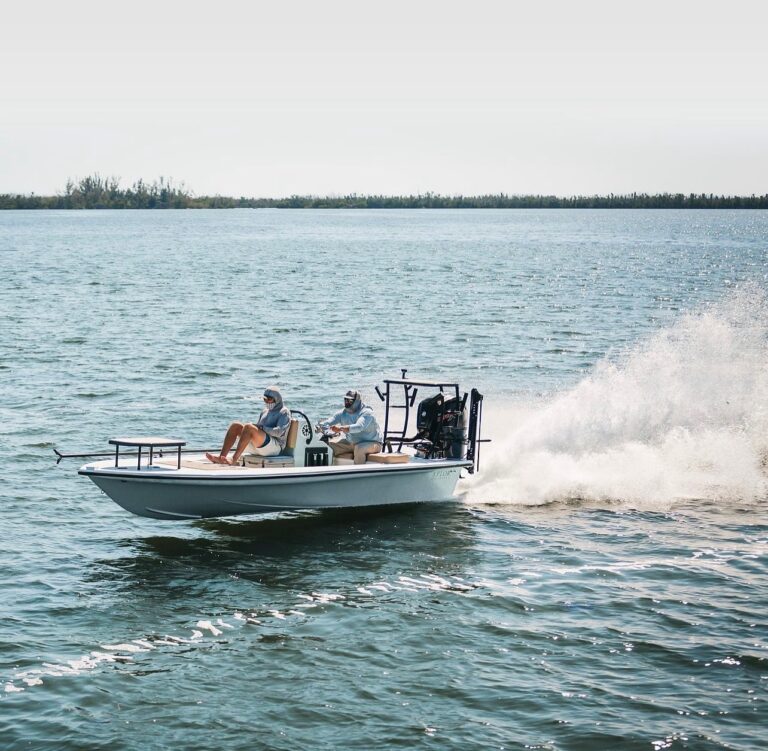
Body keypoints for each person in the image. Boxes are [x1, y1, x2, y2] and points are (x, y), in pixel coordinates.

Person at [206, 386, 291, 466]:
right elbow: (258, 431)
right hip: (261, 445)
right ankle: (222, 457)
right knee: (235, 425)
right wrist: (257, 427)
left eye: (269, 399)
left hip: (275, 447)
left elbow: (280, 432)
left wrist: (261, 428)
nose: (267, 401)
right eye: (265, 399)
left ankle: (234, 459)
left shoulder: (284, 412)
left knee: (249, 427)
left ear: (277, 399)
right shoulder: (265, 411)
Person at [318, 390, 383, 464]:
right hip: (351, 443)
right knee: (327, 447)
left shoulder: (367, 412)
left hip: (373, 443)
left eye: (350, 400)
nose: (347, 402)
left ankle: (358, 474)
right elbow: (329, 421)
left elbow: (359, 427)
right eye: (346, 400)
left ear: (357, 401)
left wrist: (340, 428)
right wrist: (320, 426)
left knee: (359, 448)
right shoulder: (343, 413)